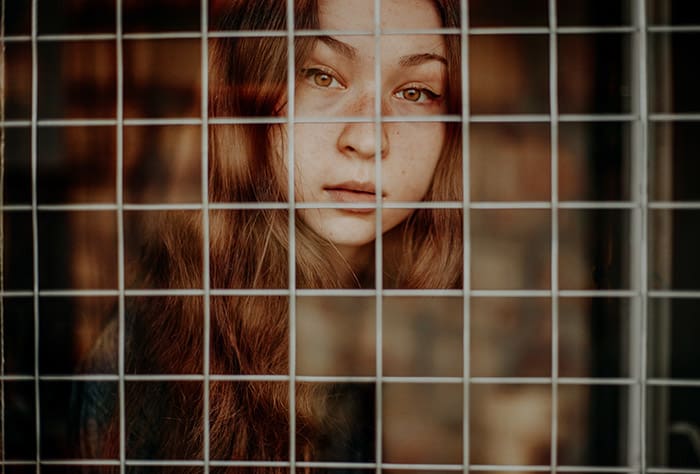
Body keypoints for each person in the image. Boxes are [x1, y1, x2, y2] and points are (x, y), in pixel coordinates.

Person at [75, 0, 463, 471]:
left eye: (417, 92)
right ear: (251, 92)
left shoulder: (491, 319)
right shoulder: (155, 332)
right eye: (322, 75)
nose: (366, 137)